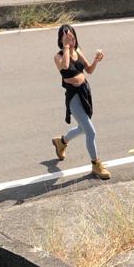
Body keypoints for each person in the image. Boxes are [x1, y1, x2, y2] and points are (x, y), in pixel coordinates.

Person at [51, 24, 110, 180]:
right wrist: (66, 47)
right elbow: (65, 66)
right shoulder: (58, 57)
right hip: (73, 97)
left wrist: (96, 60)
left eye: (72, 36)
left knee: (82, 128)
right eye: (66, 37)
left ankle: (61, 142)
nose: (70, 39)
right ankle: (96, 165)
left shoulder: (78, 51)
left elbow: (89, 70)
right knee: (90, 131)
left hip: (85, 92)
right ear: (61, 39)